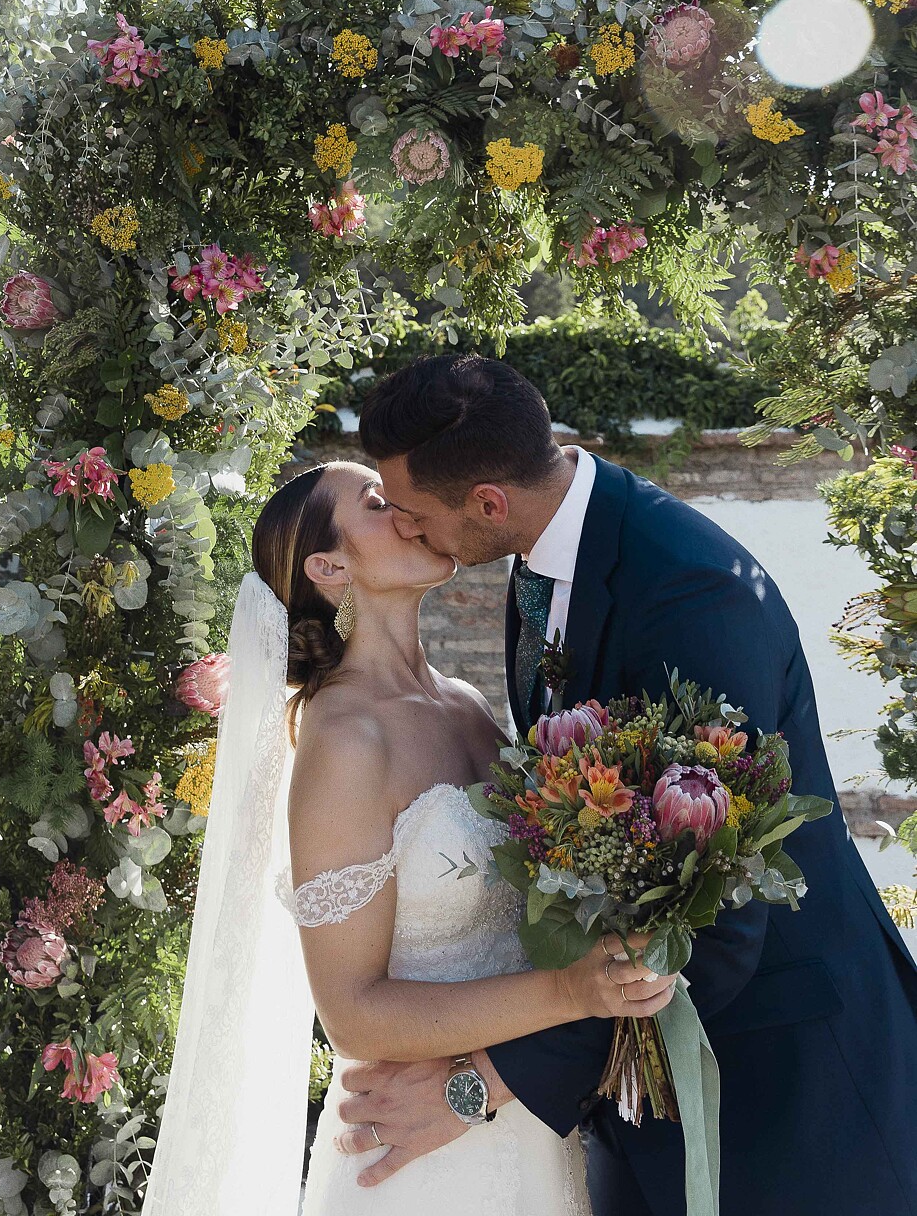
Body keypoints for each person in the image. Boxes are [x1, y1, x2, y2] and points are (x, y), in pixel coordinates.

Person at [328, 352, 917, 1216]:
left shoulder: (690, 598)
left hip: (786, 1093)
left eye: (414, 515)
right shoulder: (542, 554)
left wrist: (484, 1081)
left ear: (487, 500)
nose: (409, 531)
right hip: (639, 1093)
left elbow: (718, 914)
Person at [143, 457, 676, 1216]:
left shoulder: (463, 705)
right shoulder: (344, 740)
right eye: (375, 502)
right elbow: (351, 1014)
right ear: (327, 565)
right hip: (415, 1165)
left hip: (530, 1134)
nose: (405, 507)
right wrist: (569, 990)